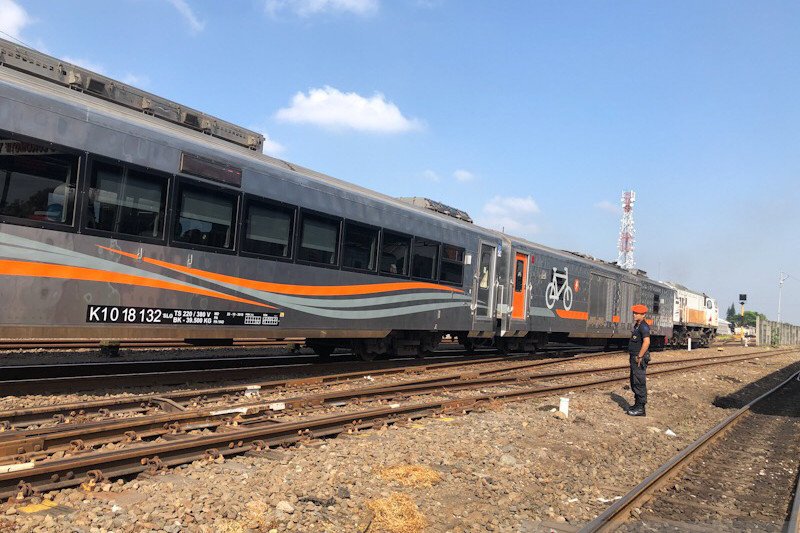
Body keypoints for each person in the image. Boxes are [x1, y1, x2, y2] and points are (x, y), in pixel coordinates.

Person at [627, 304, 651, 416]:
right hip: (634, 357)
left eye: (637, 313)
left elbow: (646, 342)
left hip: (639, 358)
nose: (634, 315)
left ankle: (641, 409)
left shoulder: (644, 327)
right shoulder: (637, 325)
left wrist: (640, 356)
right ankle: (637, 404)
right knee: (634, 381)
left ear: (643, 315)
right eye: (634, 313)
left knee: (639, 382)